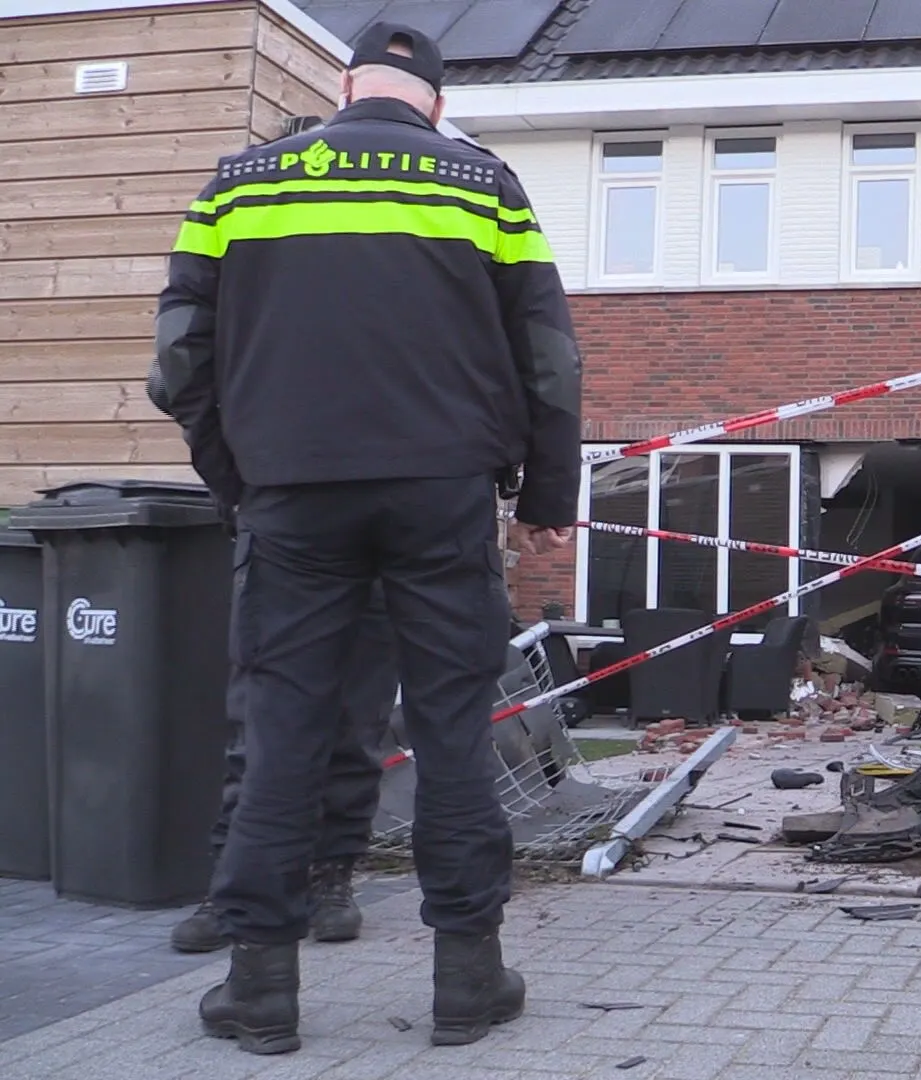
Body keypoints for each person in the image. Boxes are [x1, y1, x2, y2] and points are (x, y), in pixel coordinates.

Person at [151, 21, 581, 1056]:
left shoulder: (238, 184)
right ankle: (469, 981)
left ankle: (260, 989)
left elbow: (179, 363)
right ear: (432, 101)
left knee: (282, 732)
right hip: (442, 496)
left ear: (346, 89)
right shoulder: (482, 185)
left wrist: (238, 479)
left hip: (293, 495)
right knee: (451, 733)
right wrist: (545, 495)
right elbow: (550, 359)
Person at [146, 364, 399, 955]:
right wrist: (239, 479)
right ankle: (236, 884)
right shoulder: (262, 287)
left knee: (357, 722)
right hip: (285, 529)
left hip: (386, 534)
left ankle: (330, 875)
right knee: (260, 722)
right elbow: (176, 374)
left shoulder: (396, 297)